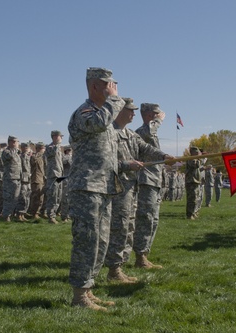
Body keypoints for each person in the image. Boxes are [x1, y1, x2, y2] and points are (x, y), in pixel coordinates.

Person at [67, 67, 130, 310]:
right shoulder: (85, 113)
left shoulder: (105, 114)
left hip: (103, 187)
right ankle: (79, 295)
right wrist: (114, 100)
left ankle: (88, 289)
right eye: (109, 85)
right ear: (95, 87)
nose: (114, 90)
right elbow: (100, 123)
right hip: (86, 187)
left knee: (101, 241)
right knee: (87, 240)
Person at [104, 98, 168, 284]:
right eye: (129, 110)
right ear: (119, 111)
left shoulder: (131, 134)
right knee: (119, 226)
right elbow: (104, 162)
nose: (133, 113)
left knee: (128, 225)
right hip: (117, 186)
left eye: (134, 110)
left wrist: (164, 155)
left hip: (130, 187)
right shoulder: (109, 133)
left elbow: (145, 148)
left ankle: (120, 266)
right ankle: (114, 269)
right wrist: (126, 165)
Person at [0, 136, 24, 221]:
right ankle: (6, 215)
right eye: (17, 142)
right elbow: (9, 156)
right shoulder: (6, 152)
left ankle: (10, 214)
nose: (18, 144)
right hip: (9, 178)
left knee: (15, 198)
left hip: (17, 178)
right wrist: (15, 150)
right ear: (12, 142)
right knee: (8, 198)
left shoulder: (16, 153)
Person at [43, 130, 65, 223]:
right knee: (53, 196)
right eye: (60, 136)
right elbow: (51, 153)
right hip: (53, 175)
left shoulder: (58, 148)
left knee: (58, 196)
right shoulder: (50, 147)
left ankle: (54, 215)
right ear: (55, 137)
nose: (61, 138)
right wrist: (57, 145)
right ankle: (51, 216)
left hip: (59, 175)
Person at [184, 147, 203, 219]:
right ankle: (189, 214)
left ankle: (194, 212)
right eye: (197, 152)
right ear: (193, 153)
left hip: (196, 181)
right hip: (191, 181)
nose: (198, 154)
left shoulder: (196, 159)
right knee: (191, 199)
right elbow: (196, 165)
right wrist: (199, 159)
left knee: (196, 198)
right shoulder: (191, 159)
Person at [29, 142, 46, 218]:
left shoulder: (44, 156)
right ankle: (34, 213)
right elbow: (33, 162)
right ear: (39, 149)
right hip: (36, 179)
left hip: (43, 178)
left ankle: (41, 212)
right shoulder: (34, 156)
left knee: (42, 197)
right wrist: (38, 154)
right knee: (36, 197)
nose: (44, 150)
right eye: (43, 148)